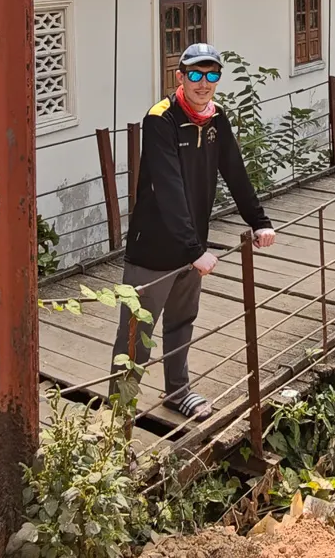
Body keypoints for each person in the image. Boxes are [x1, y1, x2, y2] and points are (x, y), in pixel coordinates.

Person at [110, 42, 275, 420]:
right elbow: (167, 189)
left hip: (192, 247)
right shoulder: (160, 119)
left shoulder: (216, 119)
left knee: (182, 322)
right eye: (196, 74)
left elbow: (235, 172)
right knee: (135, 337)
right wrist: (192, 248)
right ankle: (117, 425)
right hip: (153, 251)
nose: (204, 83)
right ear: (180, 76)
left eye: (212, 74)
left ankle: (177, 391)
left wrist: (259, 221)